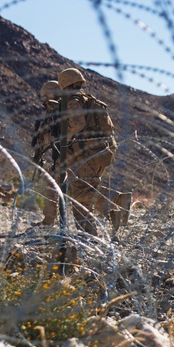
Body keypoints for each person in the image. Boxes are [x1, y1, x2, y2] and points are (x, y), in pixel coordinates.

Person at [57, 67, 118, 235]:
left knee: (81, 192)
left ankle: (115, 201)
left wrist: (64, 139)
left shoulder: (74, 101)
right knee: (86, 190)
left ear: (65, 85)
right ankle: (90, 234)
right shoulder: (92, 101)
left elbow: (77, 125)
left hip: (88, 154)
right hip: (102, 152)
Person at [31, 80, 62, 226]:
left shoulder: (60, 110)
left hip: (73, 154)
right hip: (68, 155)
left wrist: (44, 137)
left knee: (82, 192)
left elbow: (58, 135)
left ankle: (50, 221)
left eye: (44, 98)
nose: (43, 102)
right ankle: (49, 220)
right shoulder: (56, 110)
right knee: (52, 184)